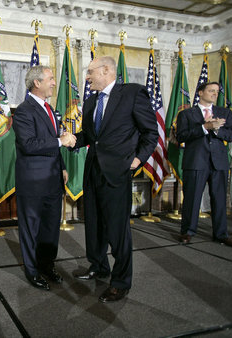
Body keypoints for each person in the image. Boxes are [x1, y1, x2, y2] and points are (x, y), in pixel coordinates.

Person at [71, 56, 158, 302]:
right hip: (93, 172)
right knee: (95, 224)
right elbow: (89, 136)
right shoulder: (90, 102)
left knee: (118, 230)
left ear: (106, 70)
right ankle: (98, 266)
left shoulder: (132, 94)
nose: (87, 77)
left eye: (90, 72)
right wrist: (71, 140)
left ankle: (121, 281)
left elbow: (150, 133)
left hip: (118, 172)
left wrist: (137, 160)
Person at [12, 65, 76, 291]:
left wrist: (62, 167)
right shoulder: (23, 111)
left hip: (52, 180)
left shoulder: (51, 110)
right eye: (50, 78)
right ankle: (32, 271)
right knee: (31, 229)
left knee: (50, 228)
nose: (53, 82)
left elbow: (52, 140)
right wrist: (61, 141)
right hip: (33, 183)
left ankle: (47, 266)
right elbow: (29, 145)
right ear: (36, 83)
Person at [176, 82, 232, 247]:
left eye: (217, 92)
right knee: (192, 198)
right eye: (211, 91)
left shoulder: (225, 113)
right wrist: (205, 127)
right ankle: (187, 232)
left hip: (219, 163)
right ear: (200, 93)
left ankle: (221, 234)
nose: (215, 94)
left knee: (219, 199)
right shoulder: (186, 114)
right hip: (196, 162)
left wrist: (216, 130)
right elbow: (181, 136)